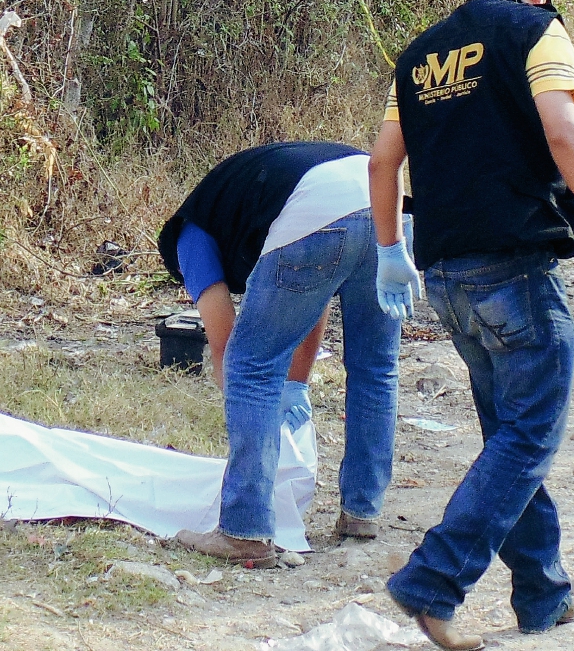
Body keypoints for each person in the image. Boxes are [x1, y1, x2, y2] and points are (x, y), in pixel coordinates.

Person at [368, 0, 574, 651]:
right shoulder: (535, 30)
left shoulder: (419, 53)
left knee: (509, 438)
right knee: (528, 436)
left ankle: (544, 596)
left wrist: (390, 251)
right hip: (515, 269)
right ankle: (433, 582)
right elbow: (562, 130)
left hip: (448, 279)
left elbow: (384, 160)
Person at [159, 141, 402, 567]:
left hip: (321, 208)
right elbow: (313, 299)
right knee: (375, 366)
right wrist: (295, 384)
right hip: (384, 198)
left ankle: (244, 530)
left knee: (250, 368)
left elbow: (226, 344)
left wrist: (248, 402)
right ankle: (362, 511)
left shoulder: (189, 238)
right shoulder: (251, 201)